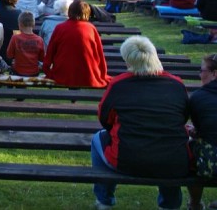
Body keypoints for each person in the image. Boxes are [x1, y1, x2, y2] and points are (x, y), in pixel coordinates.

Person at [91, 36, 189, 210]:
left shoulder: (119, 84)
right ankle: (170, 204)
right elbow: (182, 118)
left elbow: (104, 119)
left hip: (127, 159)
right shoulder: (176, 84)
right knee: (172, 147)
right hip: (172, 160)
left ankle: (104, 199)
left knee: (97, 139)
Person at [44, 0, 110, 88]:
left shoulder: (60, 28)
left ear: (70, 11)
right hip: (87, 74)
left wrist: (47, 69)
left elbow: (50, 51)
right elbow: (99, 54)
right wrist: (102, 73)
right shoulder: (91, 28)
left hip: (63, 74)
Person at [186, 54, 217, 210]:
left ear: (214, 73)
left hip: (212, 163)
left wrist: (195, 132)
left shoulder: (198, 98)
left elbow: (202, 131)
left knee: (191, 151)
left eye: (202, 70)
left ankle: (195, 203)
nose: (200, 75)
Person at [6, 12, 45, 77]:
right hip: (34, 72)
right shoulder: (39, 40)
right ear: (33, 24)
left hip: (18, 71)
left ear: (20, 24)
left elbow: (9, 55)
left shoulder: (15, 38)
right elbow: (42, 58)